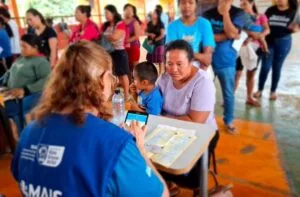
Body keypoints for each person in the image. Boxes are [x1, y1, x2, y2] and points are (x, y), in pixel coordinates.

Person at [11, 41, 169, 197]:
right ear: (103, 79)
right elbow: (162, 194)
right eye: (111, 77)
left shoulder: (29, 133)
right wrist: (140, 150)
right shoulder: (115, 143)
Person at [157, 40, 218, 196]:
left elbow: (195, 122)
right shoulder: (164, 78)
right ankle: (168, 184)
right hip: (168, 129)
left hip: (201, 133)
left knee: (190, 176)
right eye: (169, 63)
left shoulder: (202, 82)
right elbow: (152, 104)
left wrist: (160, 118)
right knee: (151, 157)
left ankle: (198, 188)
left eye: (179, 64)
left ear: (191, 62)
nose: (173, 69)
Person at [203, 0, 261, 133]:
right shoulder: (207, 14)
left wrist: (225, 13)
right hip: (207, 61)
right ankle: (206, 120)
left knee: (228, 94)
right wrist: (227, 35)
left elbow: (231, 33)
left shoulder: (238, 13)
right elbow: (207, 36)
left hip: (227, 62)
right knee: (205, 93)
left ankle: (228, 121)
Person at [0, 34, 51, 132]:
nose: (21, 49)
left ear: (35, 47)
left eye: (24, 46)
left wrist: (25, 90)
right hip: (9, 94)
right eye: (20, 46)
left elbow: (47, 80)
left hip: (23, 98)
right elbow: (9, 73)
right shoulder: (21, 59)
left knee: (11, 116)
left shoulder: (41, 62)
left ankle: (19, 136)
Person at [254, 0, 299, 100]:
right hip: (268, 42)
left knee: (277, 67)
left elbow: (297, 26)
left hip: (283, 42)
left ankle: (273, 91)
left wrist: (296, 29)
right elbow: (263, 24)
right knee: (265, 66)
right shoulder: (271, 10)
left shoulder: (294, 11)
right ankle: (260, 89)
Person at [234, 0, 270, 107]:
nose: (242, 6)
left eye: (245, 4)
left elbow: (267, 30)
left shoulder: (260, 17)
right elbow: (236, 31)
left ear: (252, 3)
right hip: (242, 47)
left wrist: (258, 36)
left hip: (256, 47)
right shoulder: (240, 17)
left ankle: (249, 97)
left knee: (251, 73)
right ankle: (230, 96)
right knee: (237, 73)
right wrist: (250, 35)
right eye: (241, 4)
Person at [166, 0, 215, 69]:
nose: (187, 6)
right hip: (177, 69)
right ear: (178, 5)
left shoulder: (204, 24)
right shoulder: (172, 27)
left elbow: (207, 60)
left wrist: (199, 75)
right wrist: (198, 56)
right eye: (183, 2)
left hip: (200, 69)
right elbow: (172, 56)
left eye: (191, 2)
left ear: (196, 5)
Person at [102, 5, 130, 100]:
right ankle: (113, 93)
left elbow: (115, 37)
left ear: (113, 13)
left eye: (107, 13)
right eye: (104, 13)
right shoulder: (107, 25)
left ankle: (126, 94)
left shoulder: (120, 24)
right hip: (109, 52)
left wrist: (104, 36)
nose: (105, 15)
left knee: (123, 74)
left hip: (119, 52)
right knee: (113, 74)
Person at [145, 9, 165, 74]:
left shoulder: (161, 23)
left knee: (160, 61)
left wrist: (153, 40)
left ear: (158, 15)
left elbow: (162, 35)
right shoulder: (149, 23)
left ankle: (160, 76)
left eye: (155, 13)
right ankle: (152, 75)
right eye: (153, 13)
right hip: (150, 44)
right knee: (150, 60)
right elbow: (145, 32)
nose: (153, 14)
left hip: (159, 44)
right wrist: (150, 34)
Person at [123, 4, 141, 72]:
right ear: (124, 11)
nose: (129, 12)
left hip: (133, 47)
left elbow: (136, 36)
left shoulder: (135, 22)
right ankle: (129, 82)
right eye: (127, 10)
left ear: (133, 12)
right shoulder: (121, 22)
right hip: (123, 48)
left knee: (135, 67)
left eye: (131, 10)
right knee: (126, 66)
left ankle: (136, 81)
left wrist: (125, 41)